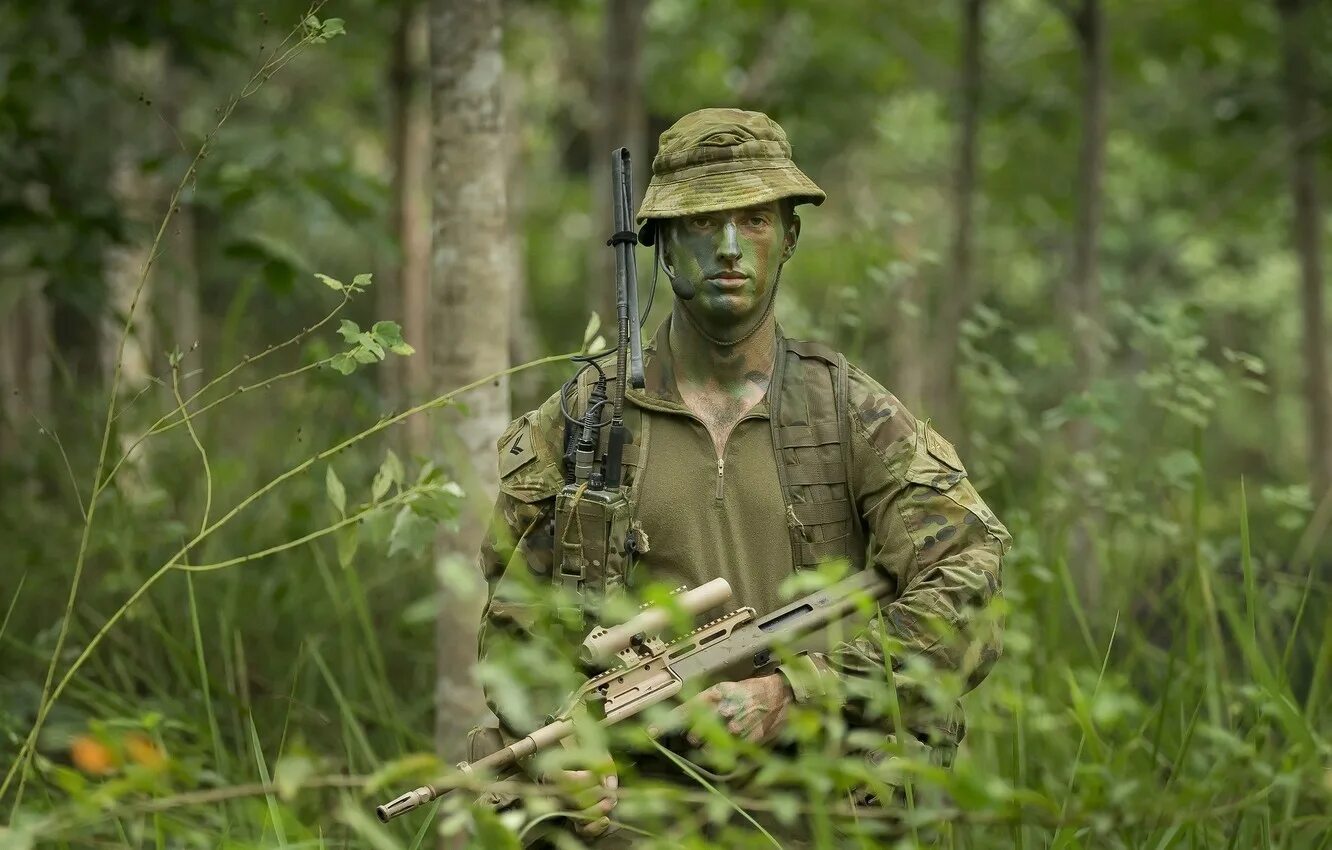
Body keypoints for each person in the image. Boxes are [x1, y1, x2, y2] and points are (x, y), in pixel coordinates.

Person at [471, 107, 1011, 847]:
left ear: (789, 236)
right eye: (702, 222)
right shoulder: (582, 424)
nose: (729, 248)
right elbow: (513, 628)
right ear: (660, 243)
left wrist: (800, 689)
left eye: (754, 220)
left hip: (817, 810)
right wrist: (561, 757)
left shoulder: (848, 414)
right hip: (639, 818)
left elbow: (971, 587)